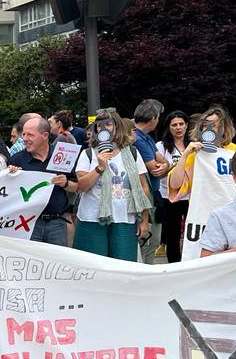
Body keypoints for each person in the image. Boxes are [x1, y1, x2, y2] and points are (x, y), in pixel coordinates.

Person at [73, 109, 152, 261]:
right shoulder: (88, 154)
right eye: (99, 125)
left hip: (124, 218)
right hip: (92, 220)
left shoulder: (132, 153)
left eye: (108, 124)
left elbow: (143, 188)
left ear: (117, 127)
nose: (103, 128)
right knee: (93, 266)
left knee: (123, 266)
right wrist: (100, 167)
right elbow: (81, 187)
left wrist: (144, 220)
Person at [8, 117, 78, 247]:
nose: (25, 138)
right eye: (23, 134)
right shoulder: (17, 159)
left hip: (57, 223)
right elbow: (7, 192)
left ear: (45, 135)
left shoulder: (63, 155)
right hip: (28, 223)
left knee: (57, 264)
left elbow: (77, 187)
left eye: (30, 135)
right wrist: (10, 175)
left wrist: (66, 183)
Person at [167, 105, 236, 201]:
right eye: (205, 125)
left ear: (223, 128)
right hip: (203, 211)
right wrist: (185, 154)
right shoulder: (195, 154)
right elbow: (175, 184)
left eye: (213, 125)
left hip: (232, 210)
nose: (208, 129)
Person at [132, 99, 169, 264]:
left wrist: (166, 165)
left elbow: (164, 162)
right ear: (153, 117)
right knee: (149, 243)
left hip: (153, 194)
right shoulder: (138, 139)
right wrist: (167, 165)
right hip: (147, 197)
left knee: (151, 242)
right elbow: (155, 168)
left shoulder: (145, 138)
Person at [155, 110, 191, 263]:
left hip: (191, 195)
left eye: (181, 124)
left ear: (186, 125)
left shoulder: (194, 145)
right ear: (169, 127)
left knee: (192, 232)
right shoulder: (161, 147)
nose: (178, 128)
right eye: (174, 125)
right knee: (172, 235)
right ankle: (174, 266)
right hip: (169, 196)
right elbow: (158, 171)